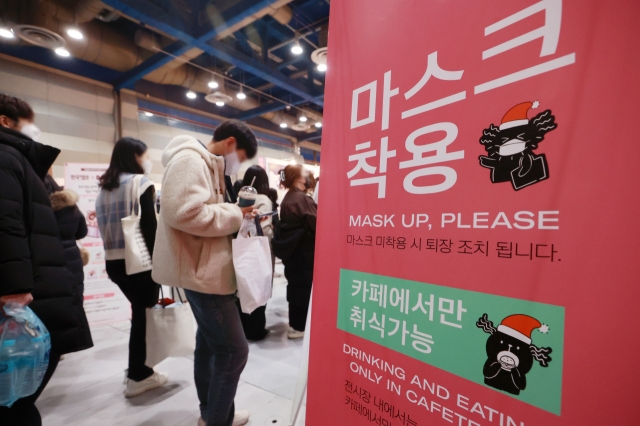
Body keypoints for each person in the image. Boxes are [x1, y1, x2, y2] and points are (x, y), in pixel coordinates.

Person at [152, 119, 258, 426]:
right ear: (229, 143)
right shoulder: (190, 160)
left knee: (210, 346)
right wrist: (236, 213)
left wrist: (236, 212)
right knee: (234, 352)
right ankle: (216, 419)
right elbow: (185, 212)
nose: (238, 163)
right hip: (204, 273)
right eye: (241, 155)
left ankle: (213, 413)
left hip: (203, 268)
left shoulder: (205, 163)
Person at [0, 94, 93, 425]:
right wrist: (13, 286)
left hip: (41, 279)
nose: (34, 129)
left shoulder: (20, 161)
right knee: (19, 393)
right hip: (27, 289)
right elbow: (6, 222)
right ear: (5, 121)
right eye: (28, 120)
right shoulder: (8, 157)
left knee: (22, 389)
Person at [95, 137, 167, 398]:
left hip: (114, 262)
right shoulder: (140, 183)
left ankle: (138, 370)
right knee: (143, 318)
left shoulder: (105, 188)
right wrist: (161, 263)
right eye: (144, 155)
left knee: (140, 314)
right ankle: (139, 375)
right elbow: (150, 228)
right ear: (134, 157)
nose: (146, 160)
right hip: (141, 263)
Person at [273, 164, 317, 339]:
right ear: (299, 177)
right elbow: (317, 224)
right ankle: (300, 326)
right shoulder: (302, 199)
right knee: (304, 288)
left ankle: (295, 324)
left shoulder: (289, 198)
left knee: (295, 287)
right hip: (305, 252)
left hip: (292, 253)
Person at [237, 165, 273, 341]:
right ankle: (255, 330)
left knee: (243, 288)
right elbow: (265, 230)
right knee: (259, 288)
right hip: (257, 252)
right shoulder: (263, 199)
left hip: (240, 249)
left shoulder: (239, 198)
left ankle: (242, 328)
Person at [44, 174, 90, 301]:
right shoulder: (72, 207)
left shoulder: (41, 208)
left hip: (48, 260)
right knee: (76, 302)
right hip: (73, 258)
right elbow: (82, 232)